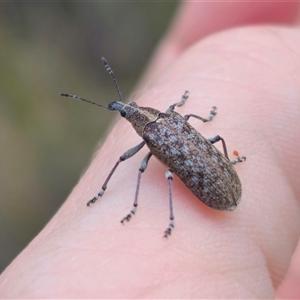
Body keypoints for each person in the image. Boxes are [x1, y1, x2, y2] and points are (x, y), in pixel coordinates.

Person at [1, 1, 300, 298]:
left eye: (128, 109)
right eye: (126, 110)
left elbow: (139, 157)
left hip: (220, 182)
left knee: (156, 168)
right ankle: (153, 207)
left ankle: (164, 216)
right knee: (186, 151)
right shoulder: (169, 119)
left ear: (139, 112)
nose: (126, 108)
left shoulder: (160, 128)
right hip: (216, 182)